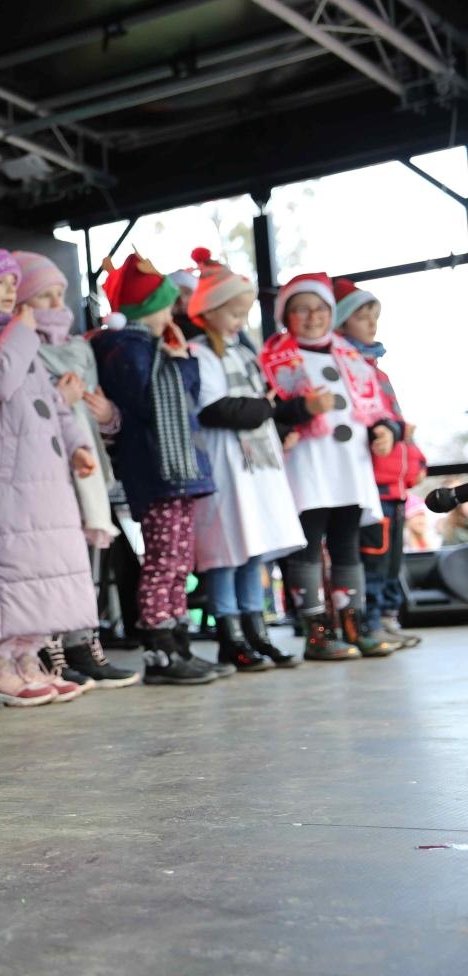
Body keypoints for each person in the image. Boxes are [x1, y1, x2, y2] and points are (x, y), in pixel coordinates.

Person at [0, 242, 100, 706]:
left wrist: (79, 446)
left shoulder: (14, 333)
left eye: (12, 282)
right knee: (7, 568)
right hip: (1, 479)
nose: (10, 290)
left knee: (40, 569)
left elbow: (52, 404)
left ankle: (29, 658)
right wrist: (22, 332)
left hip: (43, 476)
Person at [12, 250, 139, 690]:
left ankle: (85, 643)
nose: (55, 304)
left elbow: (101, 413)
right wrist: (58, 404)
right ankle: (52, 650)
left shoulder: (80, 348)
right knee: (51, 562)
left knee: (86, 560)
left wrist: (107, 415)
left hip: (87, 464)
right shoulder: (19, 347)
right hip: (45, 469)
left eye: (58, 294)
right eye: (42, 296)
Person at [92, 253, 219, 683]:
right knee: (162, 561)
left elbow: (188, 400)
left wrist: (179, 357)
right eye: (165, 305)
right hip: (157, 471)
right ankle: (159, 651)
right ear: (148, 310)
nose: (172, 313)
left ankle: (178, 641)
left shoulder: (152, 348)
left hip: (177, 471)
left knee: (179, 562)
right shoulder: (125, 350)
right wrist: (179, 361)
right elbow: (149, 402)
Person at [261, 273, 397, 660]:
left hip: (350, 466)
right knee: (306, 548)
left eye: (320, 308)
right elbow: (268, 413)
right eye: (301, 309)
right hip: (306, 466)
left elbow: (376, 410)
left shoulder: (350, 354)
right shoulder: (274, 356)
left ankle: (355, 626)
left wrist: (384, 431)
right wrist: (302, 409)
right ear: (286, 314)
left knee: (347, 547)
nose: (312, 316)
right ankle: (317, 633)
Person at [184, 250, 305, 670]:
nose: (239, 322)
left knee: (254, 549)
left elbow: (261, 402)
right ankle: (229, 634)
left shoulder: (243, 354)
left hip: (256, 464)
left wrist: (267, 408)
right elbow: (214, 407)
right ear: (211, 311)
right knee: (228, 549)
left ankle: (257, 630)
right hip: (226, 462)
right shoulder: (201, 354)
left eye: (243, 314)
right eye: (233, 313)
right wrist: (264, 408)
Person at [335, 278, 426, 649]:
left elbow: (396, 423)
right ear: (341, 324)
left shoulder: (378, 371)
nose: (372, 324)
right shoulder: (349, 369)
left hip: (396, 484)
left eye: (375, 316)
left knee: (391, 562)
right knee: (372, 559)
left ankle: (387, 619)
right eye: (362, 317)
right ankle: (368, 623)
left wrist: (416, 460)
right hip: (372, 484)